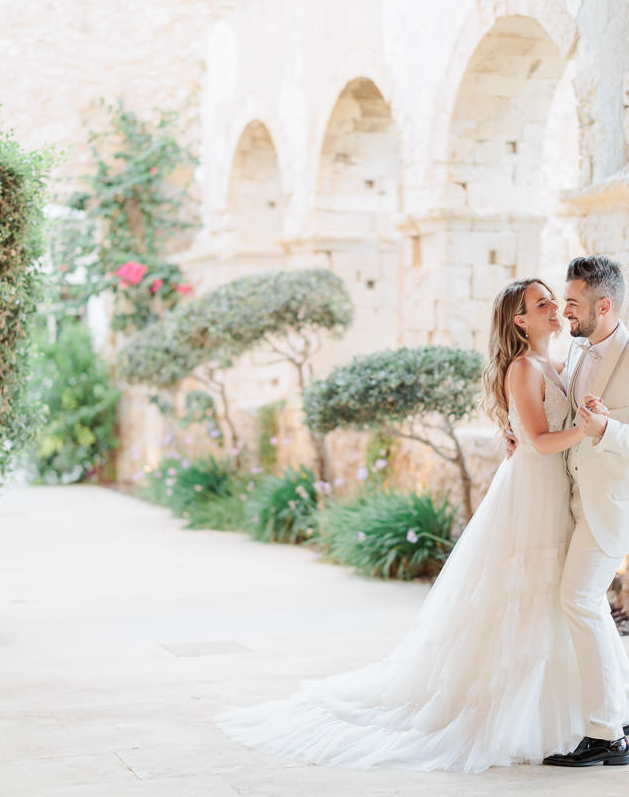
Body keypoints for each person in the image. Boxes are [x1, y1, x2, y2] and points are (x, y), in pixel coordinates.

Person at [216, 278, 591, 772]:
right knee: (524, 595)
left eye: (551, 302)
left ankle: (567, 706)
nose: (553, 310)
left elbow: (530, 428)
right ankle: (517, 715)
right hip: (531, 489)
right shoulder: (523, 367)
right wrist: (587, 429)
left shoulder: (555, 363)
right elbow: (540, 440)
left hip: (548, 487)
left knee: (551, 596)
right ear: (519, 321)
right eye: (541, 304)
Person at [539, 255, 629, 768]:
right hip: (583, 499)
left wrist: (607, 431)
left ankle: (606, 736)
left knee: (576, 598)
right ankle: (627, 708)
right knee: (589, 602)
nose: (564, 311)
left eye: (572, 303)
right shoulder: (581, 350)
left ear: (604, 305)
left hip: (616, 507)